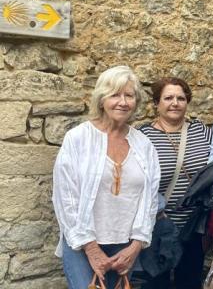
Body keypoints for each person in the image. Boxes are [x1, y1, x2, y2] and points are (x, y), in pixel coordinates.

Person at [52, 66, 160, 289]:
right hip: (82, 244)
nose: (123, 102)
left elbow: (150, 199)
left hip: (125, 247)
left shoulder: (143, 144)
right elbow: (65, 197)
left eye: (129, 95)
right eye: (115, 95)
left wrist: (136, 246)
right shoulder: (78, 138)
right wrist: (91, 248)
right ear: (102, 99)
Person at [138, 77, 211, 289]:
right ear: (156, 103)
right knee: (155, 283)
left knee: (189, 282)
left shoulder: (202, 132)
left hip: (193, 226)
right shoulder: (143, 136)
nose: (175, 103)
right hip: (158, 226)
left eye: (181, 98)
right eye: (168, 98)